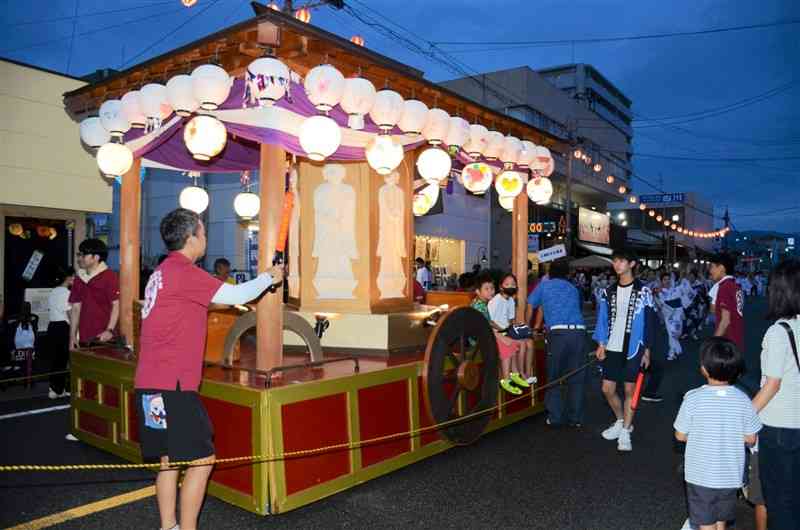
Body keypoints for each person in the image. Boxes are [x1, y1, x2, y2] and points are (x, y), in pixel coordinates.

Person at [134, 208, 283, 530]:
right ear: (190, 238)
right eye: (202, 233)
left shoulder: (162, 272)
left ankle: (168, 526)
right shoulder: (184, 271)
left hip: (149, 382)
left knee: (168, 462)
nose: (205, 238)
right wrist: (271, 276)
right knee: (202, 459)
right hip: (172, 384)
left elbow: (199, 304)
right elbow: (237, 294)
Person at [674, 337, 761, 530]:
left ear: (703, 369)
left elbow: (680, 435)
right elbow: (751, 438)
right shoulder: (743, 400)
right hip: (730, 476)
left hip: (700, 475)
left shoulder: (693, 398)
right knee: (721, 522)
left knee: (705, 524)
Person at [750, 259, 800, 530]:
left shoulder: (779, 332)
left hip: (779, 428)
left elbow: (772, 385)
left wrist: (742, 417)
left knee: (780, 504)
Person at [593, 249, 657, 451]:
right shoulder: (608, 291)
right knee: (607, 389)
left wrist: (647, 350)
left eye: (621, 261)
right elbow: (602, 320)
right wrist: (601, 344)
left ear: (631, 264)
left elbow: (650, 322)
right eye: (615, 261)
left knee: (630, 390)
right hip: (612, 346)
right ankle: (621, 421)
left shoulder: (643, 291)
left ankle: (627, 430)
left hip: (634, 346)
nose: (617, 265)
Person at [527, 258, 587, 427]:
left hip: (559, 334)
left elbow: (531, 304)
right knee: (576, 377)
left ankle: (555, 417)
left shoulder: (544, 285)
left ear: (550, 272)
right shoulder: (573, 288)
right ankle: (575, 418)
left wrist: (527, 327)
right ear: (567, 273)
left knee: (554, 377)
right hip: (579, 332)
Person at [470, 273, 527, 395]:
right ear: (478, 291)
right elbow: (485, 328)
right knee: (507, 345)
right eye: (486, 289)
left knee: (512, 343)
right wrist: (502, 336)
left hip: (484, 335)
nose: (491, 291)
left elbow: (489, 322)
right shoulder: (479, 306)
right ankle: (506, 379)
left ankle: (514, 374)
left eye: (492, 288)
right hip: (479, 339)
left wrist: (501, 329)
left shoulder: (481, 303)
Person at [69, 239, 120, 349]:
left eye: (83, 255)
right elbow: (75, 308)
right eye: (79, 254)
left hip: (104, 338)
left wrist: (109, 330)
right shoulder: (79, 278)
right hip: (84, 338)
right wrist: (72, 335)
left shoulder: (109, 276)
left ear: (96, 257)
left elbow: (116, 305)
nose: (79, 258)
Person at [47, 267, 74, 399]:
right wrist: (75, 331)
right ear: (68, 278)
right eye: (73, 277)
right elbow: (69, 312)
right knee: (66, 359)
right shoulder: (66, 293)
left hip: (52, 326)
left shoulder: (53, 292)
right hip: (63, 327)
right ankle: (66, 389)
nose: (74, 279)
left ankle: (54, 389)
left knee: (55, 359)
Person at [708, 254, 744, 353]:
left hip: (726, 341)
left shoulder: (724, 287)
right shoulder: (735, 285)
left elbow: (725, 321)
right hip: (736, 338)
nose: (710, 271)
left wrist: (712, 344)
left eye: (712, 266)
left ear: (721, 268)